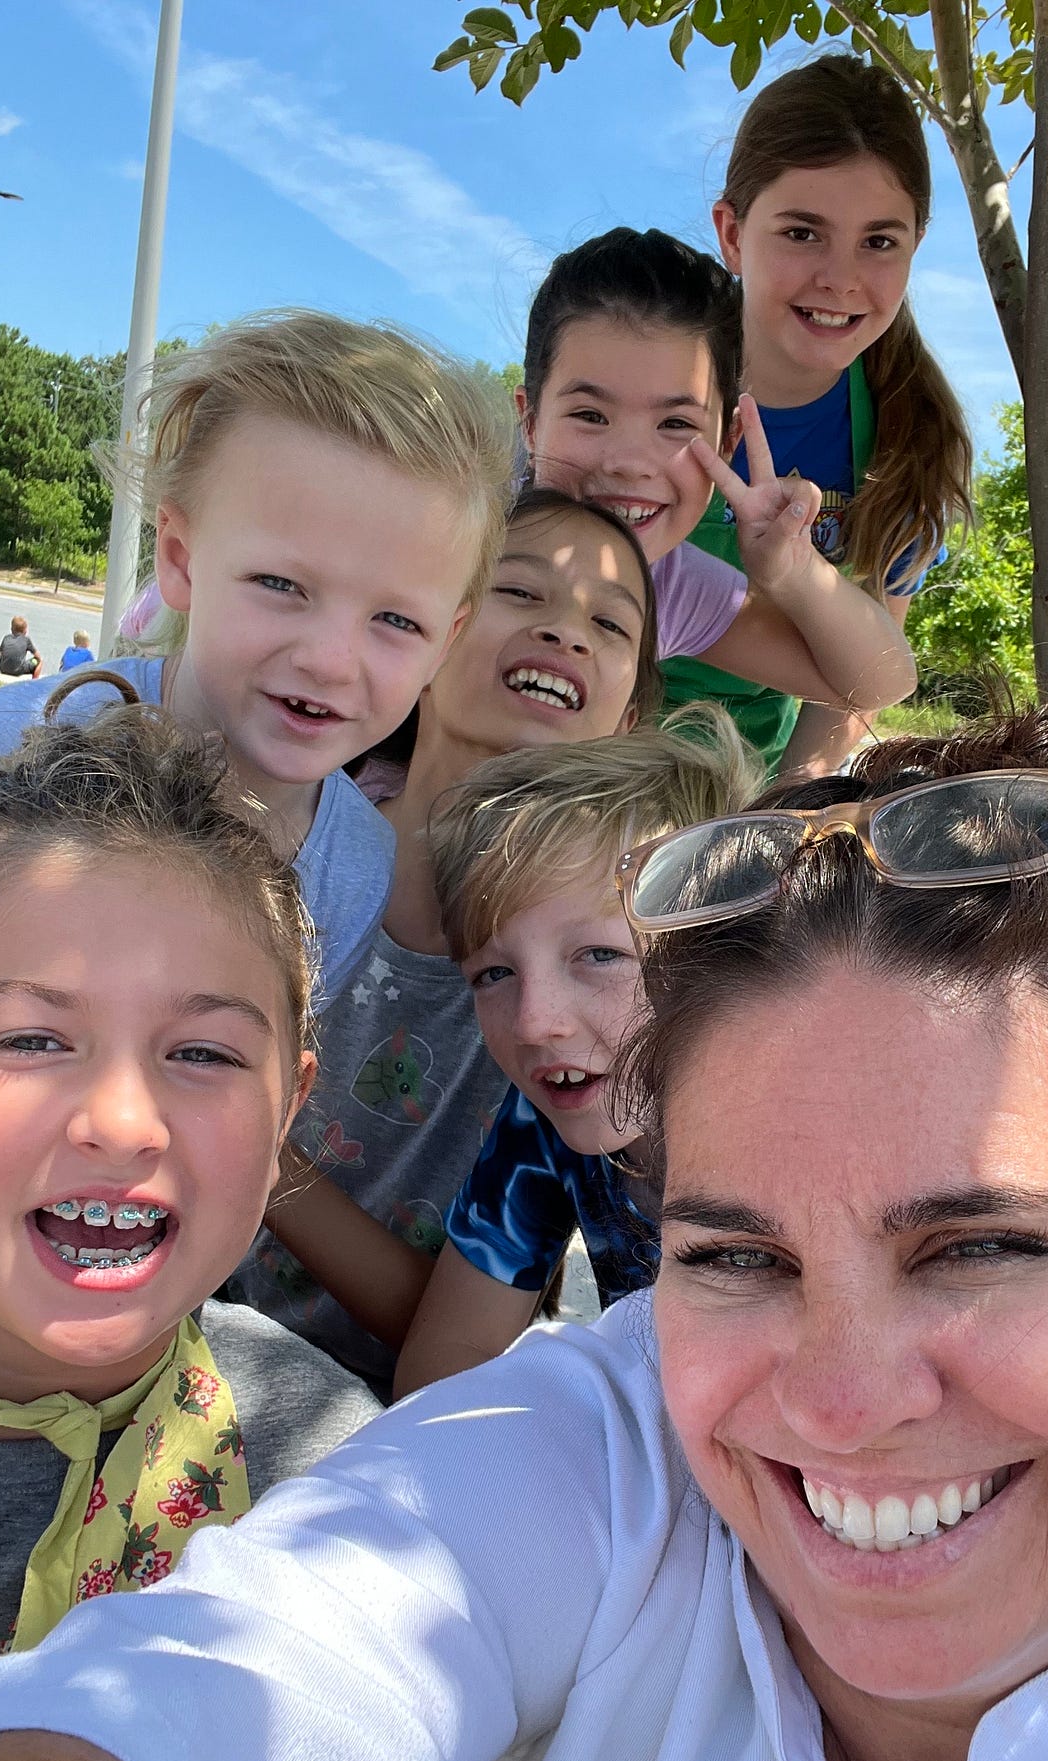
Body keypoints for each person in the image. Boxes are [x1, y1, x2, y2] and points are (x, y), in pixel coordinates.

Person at [0, 716, 1048, 1761]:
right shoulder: (610, 1461)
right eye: (736, 1256)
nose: (846, 1401)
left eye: (980, 1246)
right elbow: (191, 1715)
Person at [0, 672, 379, 1699]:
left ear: (287, 1115)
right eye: (32, 1039)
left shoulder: (329, 1474)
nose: (123, 1123)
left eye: (204, 1054)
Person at [0, 310, 513, 1007]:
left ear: (446, 642)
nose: (331, 662)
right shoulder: (9, 740)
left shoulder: (356, 869)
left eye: (398, 620)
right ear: (180, 558)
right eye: (280, 584)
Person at [228, 487, 664, 1386]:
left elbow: (453, 1332)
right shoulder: (272, 850)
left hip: (373, 1408)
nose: (565, 631)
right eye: (520, 591)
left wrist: (253, 1151)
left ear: (627, 723)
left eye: (609, 624)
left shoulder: (602, 1017)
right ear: (420, 640)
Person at [383, 708, 759, 1398]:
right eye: (494, 973)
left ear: (725, 953)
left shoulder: (806, 1148)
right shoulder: (543, 1125)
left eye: (600, 955)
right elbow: (443, 1362)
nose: (535, 1023)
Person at [518, 228, 917, 774]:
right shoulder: (462, 541)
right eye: (591, 416)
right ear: (529, 422)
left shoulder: (669, 585)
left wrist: (793, 573)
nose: (630, 462)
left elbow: (882, 679)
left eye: (675, 424)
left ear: (728, 443)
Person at [674, 53, 973, 779]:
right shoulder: (640, 366)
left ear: (915, 248)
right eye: (803, 233)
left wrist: (777, 822)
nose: (840, 280)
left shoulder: (909, 439)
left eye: (879, 242)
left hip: (744, 784)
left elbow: (856, 690)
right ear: (732, 234)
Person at [0, 615, 42, 679]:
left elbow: (0, 652)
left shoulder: (6, 638)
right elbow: (37, 656)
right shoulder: (26, 640)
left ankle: (8, 667)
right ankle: (34, 681)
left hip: (3, 669)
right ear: (25, 630)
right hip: (17, 671)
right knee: (39, 661)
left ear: (11, 629)